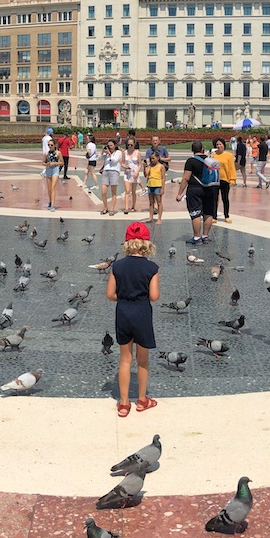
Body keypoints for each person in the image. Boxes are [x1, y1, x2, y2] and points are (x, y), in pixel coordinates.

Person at [108, 221, 161, 417]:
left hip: (123, 311)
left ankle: (123, 403)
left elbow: (109, 294)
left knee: (124, 359)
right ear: (146, 243)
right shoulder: (152, 268)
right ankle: (141, 400)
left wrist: (124, 298)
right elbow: (154, 297)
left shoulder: (117, 266)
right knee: (142, 360)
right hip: (142, 313)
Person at [181, 141, 220, 244]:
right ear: (203, 149)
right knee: (208, 213)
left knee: (196, 213)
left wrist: (180, 192)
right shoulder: (210, 160)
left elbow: (186, 178)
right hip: (211, 189)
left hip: (195, 189)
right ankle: (205, 236)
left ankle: (197, 238)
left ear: (192, 150)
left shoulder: (191, 161)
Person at [212, 139, 237, 222]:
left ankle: (226, 215)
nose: (219, 146)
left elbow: (231, 168)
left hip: (225, 180)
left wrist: (232, 179)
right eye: (217, 144)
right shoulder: (213, 155)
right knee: (214, 199)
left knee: (225, 198)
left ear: (224, 145)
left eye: (220, 144)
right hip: (215, 180)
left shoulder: (229, 155)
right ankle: (214, 216)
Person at [98, 142, 122, 215]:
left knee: (113, 192)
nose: (110, 147)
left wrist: (109, 153)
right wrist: (102, 151)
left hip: (114, 172)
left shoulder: (118, 152)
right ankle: (105, 207)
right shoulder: (106, 155)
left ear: (115, 146)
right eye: (109, 146)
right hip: (106, 171)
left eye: (111, 145)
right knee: (103, 192)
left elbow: (115, 160)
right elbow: (98, 159)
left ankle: (112, 209)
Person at [42, 133, 64, 211]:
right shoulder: (46, 153)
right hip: (48, 170)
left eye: (51, 145)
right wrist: (47, 164)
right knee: (49, 189)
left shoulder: (58, 153)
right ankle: (50, 201)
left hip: (55, 169)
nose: (50, 146)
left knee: (53, 187)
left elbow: (62, 162)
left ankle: (53, 205)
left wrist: (55, 163)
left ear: (55, 145)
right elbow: (42, 162)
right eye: (49, 145)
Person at [144, 154, 166, 224]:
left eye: (153, 158)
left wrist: (163, 188)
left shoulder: (161, 166)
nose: (152, 160)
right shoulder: (150, 166)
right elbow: (146, 175)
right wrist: (145, 167)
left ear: (158, 158)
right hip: (150, 185)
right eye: (151, 159)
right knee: (151, 202)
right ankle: (150, 217)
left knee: (159, 202)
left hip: (158, 185)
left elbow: (163, 177)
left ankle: (159, 218)